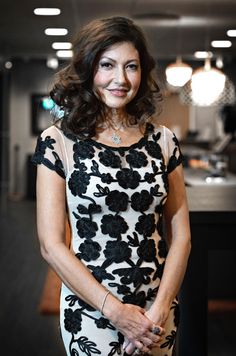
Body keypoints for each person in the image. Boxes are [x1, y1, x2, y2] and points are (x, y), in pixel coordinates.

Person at [32, 16, 191, 356]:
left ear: (142, 73)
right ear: (88, 69)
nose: (121, 79)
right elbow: (51, 245)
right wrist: (116, 312)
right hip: (91, 306)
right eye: (107, 65)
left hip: (156, 309)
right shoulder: (58, 141)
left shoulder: (164, 141)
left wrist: (161, 307)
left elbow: (182, 237)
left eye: (131, 67)